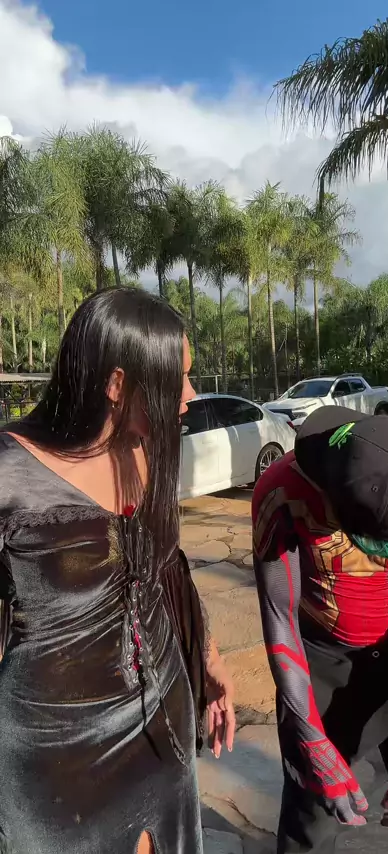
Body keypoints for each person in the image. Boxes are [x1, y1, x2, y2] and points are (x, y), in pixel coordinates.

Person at [0, 287, 235, 854]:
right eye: (177, 379)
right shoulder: (8, 474)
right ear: (116, 385)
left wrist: (208, 661)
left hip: (161, 724)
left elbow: (166, 570)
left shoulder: (141, 451)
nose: (190, 396)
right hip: (55, 759)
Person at [252, 406, 388, 854]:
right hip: (322, 661)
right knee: (309, 823)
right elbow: (279, 618)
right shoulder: (283, 491)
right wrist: (311, 737)